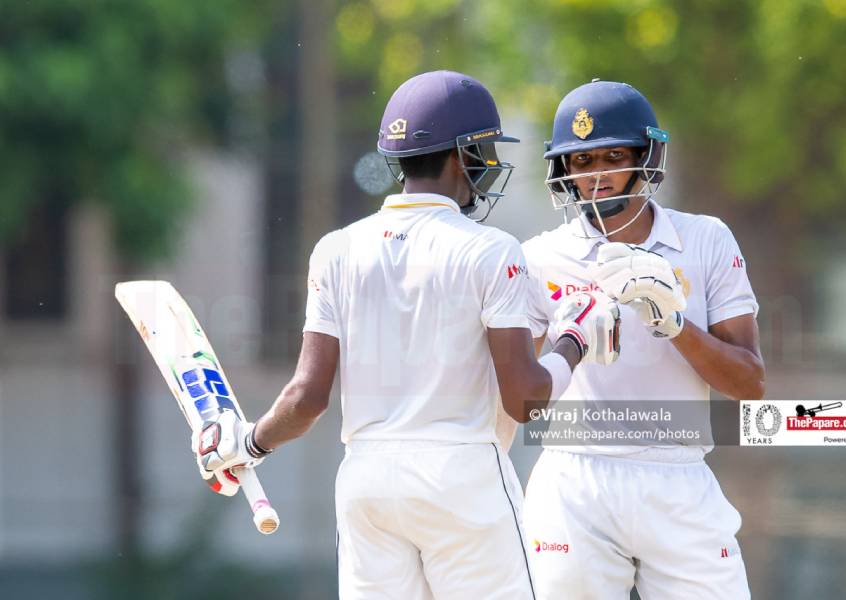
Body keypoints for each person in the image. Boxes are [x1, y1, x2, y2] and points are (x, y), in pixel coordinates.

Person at [191, 70, 621, 599]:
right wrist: (573, 340)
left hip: (368, 482)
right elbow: (525, 399)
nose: (489, 162)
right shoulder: (490, 249)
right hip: (462, 479)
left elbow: (306, 398)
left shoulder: (336, 249)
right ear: (461, 155)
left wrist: (249, 441)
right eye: (485, 148)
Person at [520, 80, 765, 599]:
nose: (597, 175)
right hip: (573, 480)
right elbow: (521, 394)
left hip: (678, 476)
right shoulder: (538, 257)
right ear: (564, 169)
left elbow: (750, 385)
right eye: (582, 161)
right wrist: (569, 340)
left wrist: (673, 324)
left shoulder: (704, 239)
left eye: (613, 156)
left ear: (645, 157)